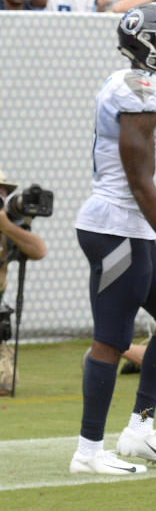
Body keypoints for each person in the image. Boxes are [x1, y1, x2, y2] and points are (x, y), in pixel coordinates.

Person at [70, 3, 156, 475]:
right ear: (144, 45)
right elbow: (140, 181)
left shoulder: (148, 86)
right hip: (116, 227)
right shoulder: (137, 91)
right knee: (111, 339)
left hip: (133, 226)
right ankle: (87, 452)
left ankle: (139, 429)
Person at [0, 168, 48, 395]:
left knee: (5, 383)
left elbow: (38, 250)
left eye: (2, 192)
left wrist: (7, 226)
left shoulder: (7, 228)